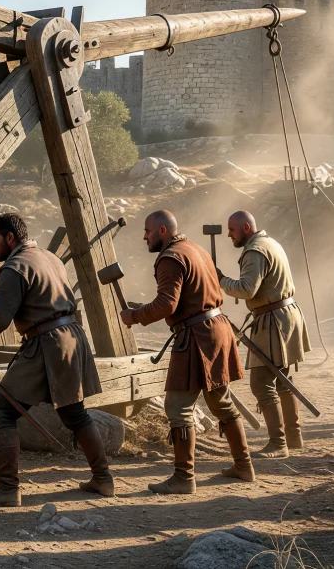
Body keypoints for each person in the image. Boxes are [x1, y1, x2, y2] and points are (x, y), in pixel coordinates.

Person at [0, 212, 108, 506]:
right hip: (72, 338)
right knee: (75, 413)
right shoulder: (49, 257)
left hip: (47, 342)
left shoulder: (15, 266)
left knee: (2, 410)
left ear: (10, 238)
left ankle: (8, 488)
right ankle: (104, 479)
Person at [120, 210, 252, 494]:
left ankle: (184, 477)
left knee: (177, 408)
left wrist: (135, 316)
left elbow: (168, 303)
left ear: (163, 232)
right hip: (216, 329)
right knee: (221, 403)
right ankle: (244, 465)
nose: (145, 236)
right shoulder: (195, 249)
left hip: (196, 337)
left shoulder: (170, 258)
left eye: (147, 231)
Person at [217, 211, 309, 459]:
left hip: (273, 321)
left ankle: (279, 444)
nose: (228, 234)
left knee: (262, 383)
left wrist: (221, 280)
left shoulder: (255, 251)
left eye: (232, 230)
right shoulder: (271, 243)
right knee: (283, 379)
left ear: (246, 227)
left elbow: (247, 289)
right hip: (286, 314)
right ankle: (293, 436)